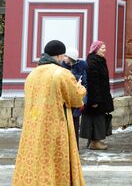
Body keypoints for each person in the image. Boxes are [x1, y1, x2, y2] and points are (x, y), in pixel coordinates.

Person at [13, 40, 87, 186]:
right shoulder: (62, 73)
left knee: (36, 160)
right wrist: (81, 88)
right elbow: (76, 99)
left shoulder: (32, 75)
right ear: (59, 56)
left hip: (33, 128)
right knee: (54, 162)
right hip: (55, 128)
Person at [80, 41, 114, 150]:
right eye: (102, 48)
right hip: (95, 98)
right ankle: (95, 142)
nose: (104, 50)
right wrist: (94, 100)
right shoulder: (93, 62)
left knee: (96, 118)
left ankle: (93, 141)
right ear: (96, 49)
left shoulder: (98, 60)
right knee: (96, 119)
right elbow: (92, 82)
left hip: (99, 96)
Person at [62, 47, 88, 147]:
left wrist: (83, 100)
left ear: (70, 58)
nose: (64, 58)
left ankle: (75, 148)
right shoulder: (62, 68)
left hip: (77, 100)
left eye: (66, 56)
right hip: (65, 100)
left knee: (75, 125)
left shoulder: (81, 68)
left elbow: (85, 84)